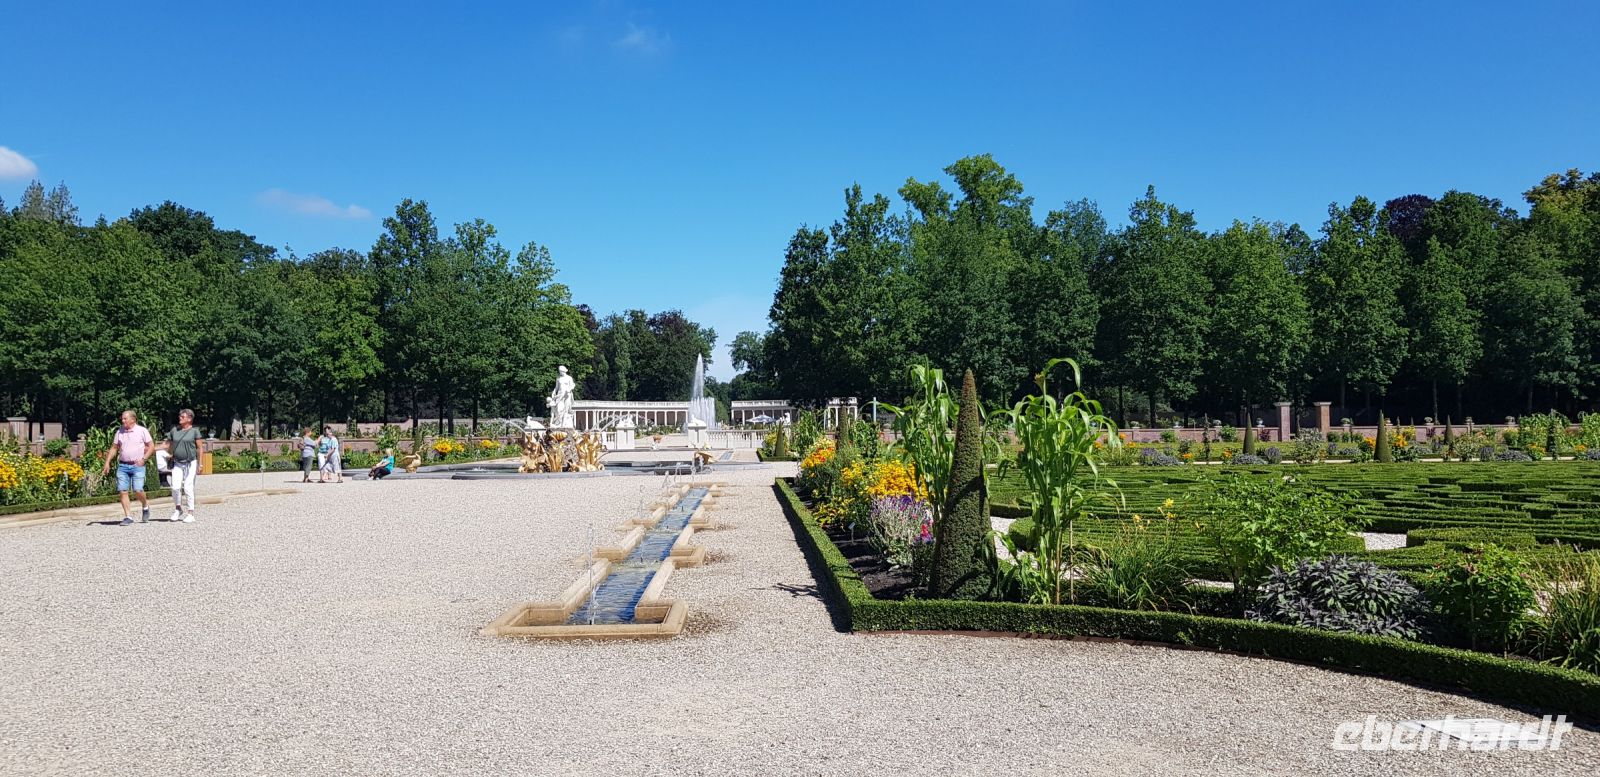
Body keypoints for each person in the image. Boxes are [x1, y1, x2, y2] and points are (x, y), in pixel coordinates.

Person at [101, 410, 153, 525]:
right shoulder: (120, 432)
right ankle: (128, 517)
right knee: (123, 491)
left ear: (133, 419)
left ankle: (145, 505)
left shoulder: (142, 431)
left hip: (137, 465)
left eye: (125, 418)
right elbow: (114, 448)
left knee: (138, 490)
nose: (122, 420)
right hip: (123, 465)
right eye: (122, 419)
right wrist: (107, 462)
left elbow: (151, 446)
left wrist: (144, 459)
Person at [163, 408, 204, 523]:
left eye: (183, 417)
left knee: (188, 487)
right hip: (177, 463)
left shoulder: (195, 431)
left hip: (190, 462)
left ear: (189, 418)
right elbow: (167, 444)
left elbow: (200, 448)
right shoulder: (174, 430)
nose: (180, 418)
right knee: (175, 487)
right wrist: (150, 449)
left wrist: (200, 464)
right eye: (180, 416)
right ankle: (178, 509)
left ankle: (191, 513)